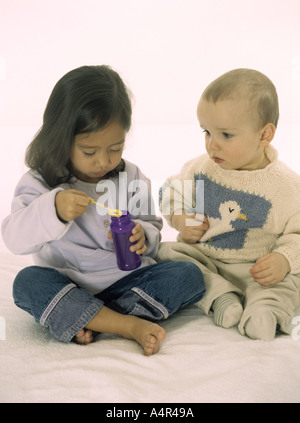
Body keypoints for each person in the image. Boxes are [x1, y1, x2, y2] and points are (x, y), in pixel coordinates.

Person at [1, 65, 205, 355]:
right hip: (68, 284)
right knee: (27, 283)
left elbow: (152, 226)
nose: (103, 161)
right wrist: (53, 211)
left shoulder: (130, 177)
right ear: (61, 138)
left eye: (115, 148)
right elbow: (13, 239)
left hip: (126, 284)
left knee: (189, 274)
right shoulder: (39, 183)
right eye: (89, 151)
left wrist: (143, 236)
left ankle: (88, 319)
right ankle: (127, 324)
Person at [157, 68, 300, 341]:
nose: (213, 145)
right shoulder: (202, 168)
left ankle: (265, 310)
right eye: (207, 132)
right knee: (165, 251)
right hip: (207, 263)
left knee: (287, 280)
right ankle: (220, 296)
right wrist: (179, 219)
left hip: (258, 270)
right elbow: (171, 190)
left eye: (226, 135)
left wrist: (284, 260)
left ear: (264, 135)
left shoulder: (287, 187)